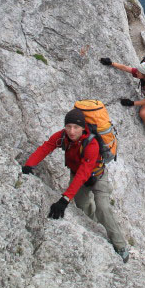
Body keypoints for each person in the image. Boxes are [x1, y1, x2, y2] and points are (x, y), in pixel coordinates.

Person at [21, 108, 130, 263]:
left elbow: (84, 173)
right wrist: (29, 164)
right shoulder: (62, 136)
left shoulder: (91, 143)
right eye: (68, 126)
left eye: (76, 127)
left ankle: (121, 245)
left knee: (103, 208)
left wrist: (64, 199)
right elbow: (46, 147)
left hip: (97, 176)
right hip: (77, 174)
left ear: (83, 127)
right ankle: (98, 228)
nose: (71, 131)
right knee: (83, 207)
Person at [100, 57, 145, 153]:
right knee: (143, 113)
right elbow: (126, 68)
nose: (136, 73)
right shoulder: (143, 74)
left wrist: (131, 103)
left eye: (138, 72)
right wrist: (111, 63)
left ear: (144, 74)